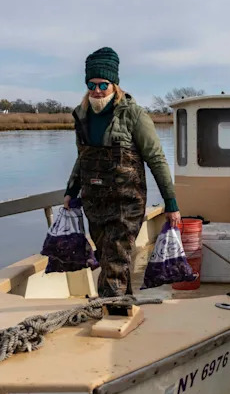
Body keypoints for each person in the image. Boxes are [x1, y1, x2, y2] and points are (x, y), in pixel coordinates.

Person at [64, 47, 181, 296]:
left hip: (126, 203)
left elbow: (156, 159)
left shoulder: (134, 115)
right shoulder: (82, 115)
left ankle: (109, 318)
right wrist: (70, 190)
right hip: (94, 202)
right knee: (109, 259)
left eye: (103, 84)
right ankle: (125, 307)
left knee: (115, 261)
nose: (96, 90)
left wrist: (171, 203)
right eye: (91, 84)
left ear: (114, 84)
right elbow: (82, 157)